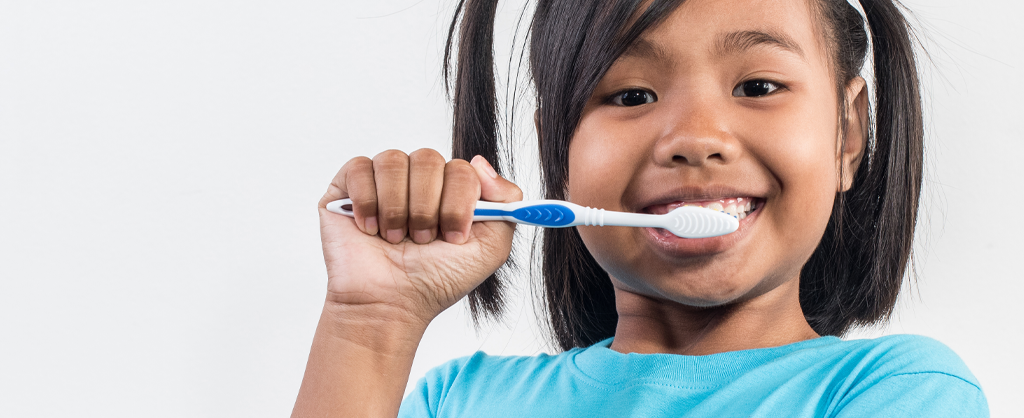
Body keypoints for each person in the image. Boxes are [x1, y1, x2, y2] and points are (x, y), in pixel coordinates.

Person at [292, 0, 989, 416]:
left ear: (849, 134)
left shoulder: (901, 392)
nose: (695, 139)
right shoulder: (460, 402)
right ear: (556, 151)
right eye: (629, 96)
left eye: (758, 84)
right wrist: (370, 325)